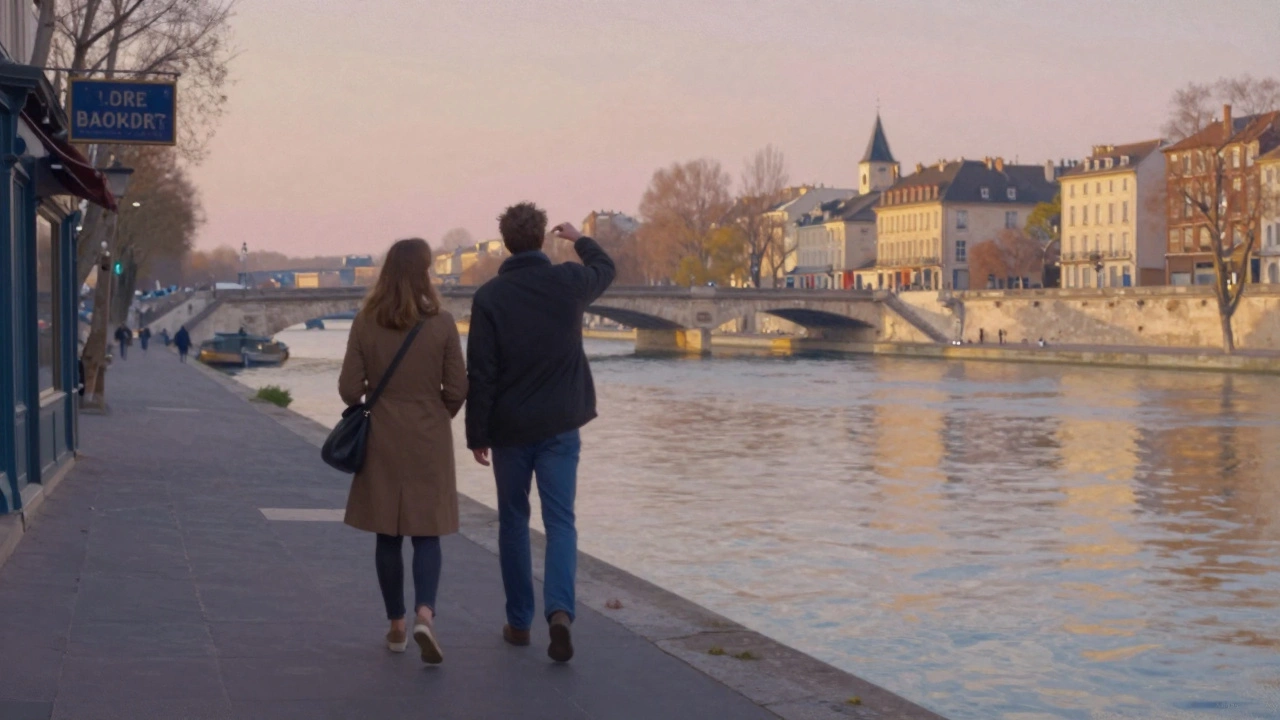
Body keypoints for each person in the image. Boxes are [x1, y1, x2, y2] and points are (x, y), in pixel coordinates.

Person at [465, 203, 616, 663]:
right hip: (560, 426)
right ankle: (560, 613)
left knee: (512, 522)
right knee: (560, 522)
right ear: (541, 239)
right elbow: (606, 268)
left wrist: (477, 433)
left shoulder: (489, 298)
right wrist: (579, 239)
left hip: (510, 429)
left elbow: (482, 373)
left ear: (507, 243)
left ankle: (518, 622)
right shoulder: (568, 283)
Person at [339, 238, 467, 665]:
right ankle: (425, 615)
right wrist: (435, 413)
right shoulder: (443, 323)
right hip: (429, 437)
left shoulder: (365, 322)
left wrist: (378, 399)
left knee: (388, 533)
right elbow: (459, 388)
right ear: (426, 273)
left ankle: (395, 626)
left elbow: (348, 390)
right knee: (427, 531)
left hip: (382, 439)